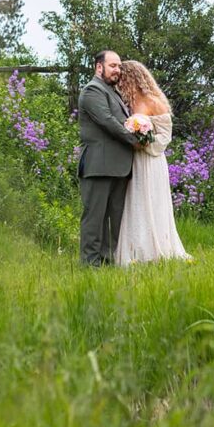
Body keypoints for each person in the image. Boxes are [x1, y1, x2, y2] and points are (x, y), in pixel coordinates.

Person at [115, 60, 191, 265]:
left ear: (132, 78)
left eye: (122, 78)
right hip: (134, 160)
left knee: (152, 201)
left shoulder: (153, 101)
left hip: (151, 160)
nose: (119, 82)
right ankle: (135, 249)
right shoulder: (126, 101)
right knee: (135, 202)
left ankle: (154, 250)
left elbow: (165, 137)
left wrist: (143, 142)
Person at [77, 49, 141, 267]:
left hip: (118, 167)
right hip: (98, 165)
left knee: (114, 219)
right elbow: (107, 121)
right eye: (113, 66)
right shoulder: (92, 90)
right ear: (99, 67)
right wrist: (135, 140)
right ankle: (90, 264)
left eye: (119, 66)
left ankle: (107, 262)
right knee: (95, 218)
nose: (118, 70)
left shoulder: (112, 91)